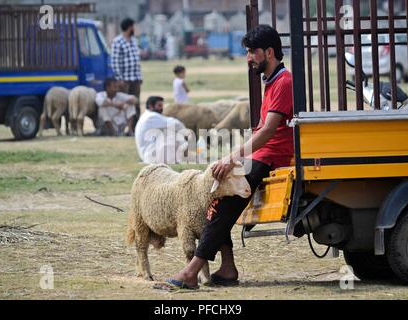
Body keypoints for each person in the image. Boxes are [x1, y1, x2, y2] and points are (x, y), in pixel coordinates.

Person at [158, 25, 294, 290]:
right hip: (262, 154)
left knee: (223, 202)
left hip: (271, 156)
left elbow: (267, 131)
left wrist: (232, 158)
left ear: (269, 52)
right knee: (219, 197)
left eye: (253, 52)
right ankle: (227, 268)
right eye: (247, 52)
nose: (249, 58)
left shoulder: (283, 82)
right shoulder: (273, 80)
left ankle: (191, 271)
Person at [135, 96, 187, 164]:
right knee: (172, 135)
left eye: (162, 106)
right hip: (150, 156)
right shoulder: (151, 116)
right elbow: (176, 124)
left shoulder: (147, 115)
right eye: (159, 106)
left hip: (148, 154)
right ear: (151, 106)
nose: (161, 108)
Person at [111, 18, 142, 129]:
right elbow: (115, 62)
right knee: (124, 104)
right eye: (134, 26)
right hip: (125, 80)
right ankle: (121, 127)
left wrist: (140, 77)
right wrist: (119, 79)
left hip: (135, 79)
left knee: (136, 104)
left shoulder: (134, 40)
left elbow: (136, 60)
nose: (135, 28)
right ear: (129, 27)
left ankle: (135, 128)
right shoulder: (117, 41)